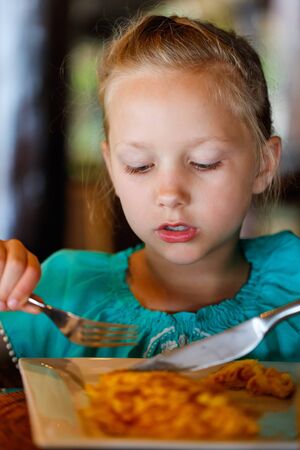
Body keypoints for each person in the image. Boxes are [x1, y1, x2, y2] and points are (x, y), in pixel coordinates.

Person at [0, 14, 300, 387]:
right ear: (111, 166)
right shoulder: (62, 290)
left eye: (204, 163)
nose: (170, 194)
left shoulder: (294, 282)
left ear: (263, 164)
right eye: (140, 166)